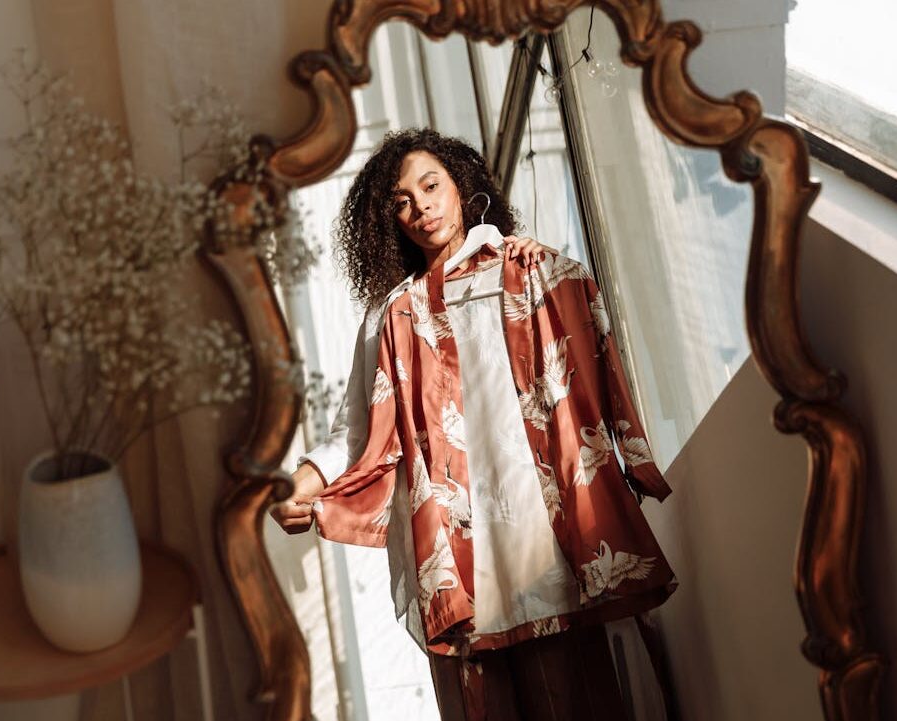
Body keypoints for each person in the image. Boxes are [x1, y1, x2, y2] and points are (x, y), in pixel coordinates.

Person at [272, 127, 676, 720]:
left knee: (580, 700)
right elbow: (356, 432)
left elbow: (596, 354)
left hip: (544, 537)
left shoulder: (532, 272)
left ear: (462, 186)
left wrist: (632, 459)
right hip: (454, 552)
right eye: (402, 202)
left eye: (431, 185)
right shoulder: (391, 314)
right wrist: (301, 484)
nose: (421, 206)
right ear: (390, 224)